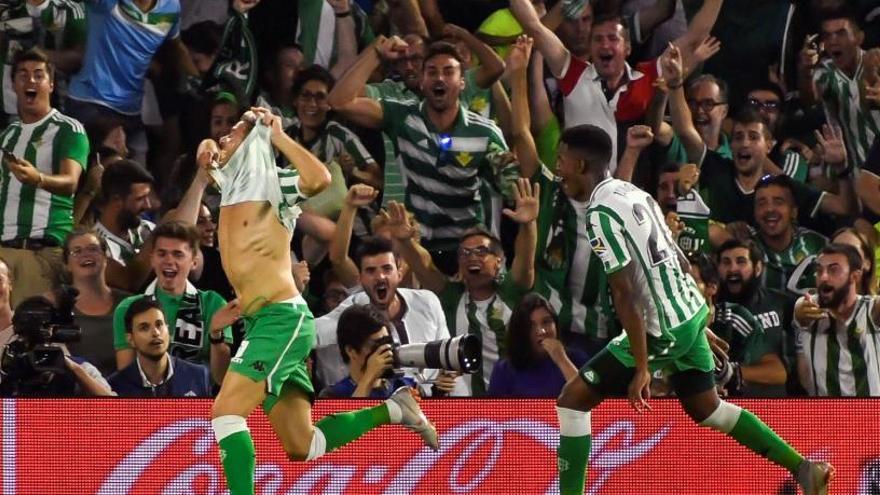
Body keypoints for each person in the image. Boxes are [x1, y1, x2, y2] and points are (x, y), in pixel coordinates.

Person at [550, 124, 834, 495]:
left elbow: (626, 294)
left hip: (659, 329)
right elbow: (679, 259)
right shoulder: (633, 192)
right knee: (707, 408)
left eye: (561, 160)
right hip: (685, 313)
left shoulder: (600, 214)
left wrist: (640, 367)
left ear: (582, 164)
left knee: (572, 403)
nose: (557, 169)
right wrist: (696, 321)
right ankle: (804, 469)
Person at [199, 107, 437, 495]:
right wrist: (213, 144)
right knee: (303, 445)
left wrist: (278, 135)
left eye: (235, 130)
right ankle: (395, 409)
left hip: (282, 318)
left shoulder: (274, 184)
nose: (226, 136)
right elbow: (207, 158)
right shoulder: (232, 180)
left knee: (226, 413)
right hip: (261, 322)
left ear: (256, 139)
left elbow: (320, 178)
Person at [328, 38, 516, 272]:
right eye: (432, 72)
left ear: (462, 83)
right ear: (423, 81)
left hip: (467, 253)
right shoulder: (403, 118)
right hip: (416, 249)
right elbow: (339, 102)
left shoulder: (485, 132)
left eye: (448, 72)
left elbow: (514, 188)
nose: (439, 78)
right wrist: (376, 52)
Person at [388, 177, 539, 396]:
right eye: (464, 253)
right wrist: (404, 242)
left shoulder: (512, 291)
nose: (471, 258)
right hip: (463, 407)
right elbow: (425, 266)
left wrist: (528, 224)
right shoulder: (450, 296)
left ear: (498, 261)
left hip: (514, 402)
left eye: (481, 252)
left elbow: (525, 262)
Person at [313, 235, 462, 395]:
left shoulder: (427, 301)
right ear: (360, 278)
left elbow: (446, 352)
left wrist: (447, 374)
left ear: (399, 273)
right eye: (371, 271)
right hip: (371, 397)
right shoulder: (353, 312)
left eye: (387, 269)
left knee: (460, 389)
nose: (380, 277)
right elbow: (309, 334)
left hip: (424, 399)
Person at [0, 48, 88, 307]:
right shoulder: (8, 135)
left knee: (33, 336)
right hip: (3, 252)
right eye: (23, 75)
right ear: (13, 85)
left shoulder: (67, 128)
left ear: (51, 84)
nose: (31, 81)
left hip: (41, 252)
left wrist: (37, 178)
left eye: (39, 75)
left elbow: (71, 182)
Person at [112, 221, 236, 385]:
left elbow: (221, 378)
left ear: (193, 262)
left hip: (200, 404)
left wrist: (216, 336)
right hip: (147, 404)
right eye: (162, 254)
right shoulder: (129, 308)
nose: (169, 261)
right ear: (152, 260)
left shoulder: (212, 303)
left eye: (178, 254)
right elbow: (127, 380)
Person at [794, 243, 880, 396]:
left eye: (833, 270)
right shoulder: (809, 307)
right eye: (819, 270)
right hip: (827, 416)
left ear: (855, 276)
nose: (824, 277)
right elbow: (801, 311)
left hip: (871, 415)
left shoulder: (871, 309)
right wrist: (800, 312)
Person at [716, 239, 792, 396]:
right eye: (726, 262)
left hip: (773, 404)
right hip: (727, 404)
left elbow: (779, 372)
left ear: (757, 268)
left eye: (741, 262)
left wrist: (731, 372)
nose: (732, 269)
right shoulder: (712, 310)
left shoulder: (780, 302)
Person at [57, 228, 129, 377]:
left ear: (105, 257)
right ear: (67, 265)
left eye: (93, 249)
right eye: (77, 251)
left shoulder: (129, 304)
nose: (86, 255)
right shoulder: (56, 308)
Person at [488, 293, 588, 398]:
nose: (541, 331)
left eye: (546, 322)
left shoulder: (577, 359)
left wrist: (562, 360)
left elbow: (591, 401)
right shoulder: (504, 369)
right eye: (531, 325)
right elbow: (495, 412)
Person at [109, 296, 212, 397]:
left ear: (169, 331)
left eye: (159, 325)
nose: (156, 333)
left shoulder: (198, 375)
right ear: (130, 339)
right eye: (144, 328)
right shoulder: (115, 386)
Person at [320, 304, 417, 398]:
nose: (385, 350)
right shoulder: (333, 395)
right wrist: (369, 378)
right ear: (351, 351)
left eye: (387, 341)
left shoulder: (405, 388)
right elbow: (352, 414)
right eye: (377, 345)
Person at [752, 175, 827, 293]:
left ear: (793, 212)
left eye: (778, 202)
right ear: (755, 213)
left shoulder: (816, 244)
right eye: (762, 203)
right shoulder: (747, 247)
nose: (769, 209)